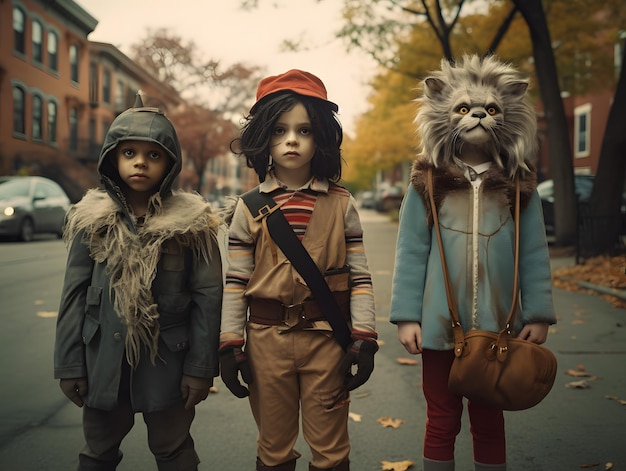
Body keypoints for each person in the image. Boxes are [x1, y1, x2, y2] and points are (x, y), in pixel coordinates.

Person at [390, 55, 557, 471]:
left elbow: (534, 251)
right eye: (464, 108)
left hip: (498, 326)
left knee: (489, 420)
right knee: (441, 418)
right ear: (444, 115)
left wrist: (537, 313)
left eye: (490, 109)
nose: (478, 116)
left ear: (509, 114)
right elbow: (411, 250)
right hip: (438, 327)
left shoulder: (519, 184)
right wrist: (407, 316)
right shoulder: (427, 182)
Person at [219, 69, 378, 471]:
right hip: (266, 342)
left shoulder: (342, 204)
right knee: (273, 448)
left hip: (327, 341)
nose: (291, 140)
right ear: (263, 139)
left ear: (320, 137)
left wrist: (364, 337)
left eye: (304, 130)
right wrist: (230, 343)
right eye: (279, 130)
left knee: (331, 451)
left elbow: (359, 275)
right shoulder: (248, 206)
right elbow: (236, 282)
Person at [54, 95, 223, 471]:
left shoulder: (192, 224)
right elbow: (74, 295)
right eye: (129, 152)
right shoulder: (91, 219)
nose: (141, 162)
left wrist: (200, 367)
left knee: (174, 449)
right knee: (97, 451)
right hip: (103, 361)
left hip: (168, 363)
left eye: (154, 154)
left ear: (170, 162)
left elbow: (208, 299)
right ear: (112, 157)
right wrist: (69, 365)